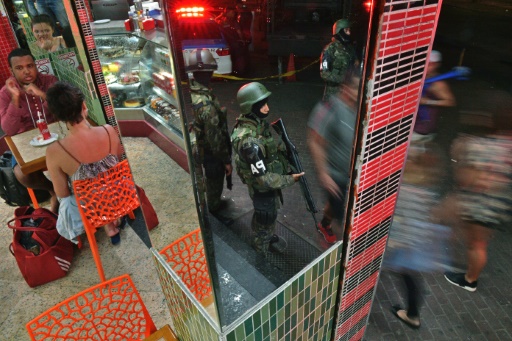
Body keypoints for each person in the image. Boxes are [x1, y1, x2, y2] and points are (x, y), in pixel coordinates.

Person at [45, 81, 124, 244]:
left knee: (67, 199)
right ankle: (114, 217)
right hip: (121, 195)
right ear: (84, 105)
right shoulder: (108, 130)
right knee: (104, 179)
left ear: (57, 117)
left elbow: (62, 193)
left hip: (90, 209)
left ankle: (103, 223)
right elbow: (119, 161)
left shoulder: (55, 151)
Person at [231, 82, 304, 256]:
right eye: (261, 105)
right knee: (266, 215)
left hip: (266, 183)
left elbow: (268, 153)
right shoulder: (250, 141)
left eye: (266, 102)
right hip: (262, 188)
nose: (266, 108)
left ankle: (266, 234)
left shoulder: (255, 124)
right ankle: (260, 248)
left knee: (267, 215)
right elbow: (263, 178)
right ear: (250, 107)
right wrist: (290, 179)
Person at [443, 110, 512, 292]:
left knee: (477, 245)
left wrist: (456, 156)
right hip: (498, 204)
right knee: (479, 242)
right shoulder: (508, 145)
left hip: (480, 204)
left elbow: (466, 178)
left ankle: (470, 280)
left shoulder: (481, 145)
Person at [0, 48, 59, 212]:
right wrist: (15, 98)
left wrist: (42, 94)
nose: (27, 71)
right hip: (25, 143)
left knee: (71, 157)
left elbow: (64, 109)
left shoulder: (49, 81)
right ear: (12, 71)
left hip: (54, 136)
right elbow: (8, 129)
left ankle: (65, 190)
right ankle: (53, 189)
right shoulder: (5, 93)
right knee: (22, 174)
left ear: (36, 65)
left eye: (30, 65)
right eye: (19, 68)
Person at [307, 68, 359, 244]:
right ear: (346, 88)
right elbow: (314, 140)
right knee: (339, 210)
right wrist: (324, 174)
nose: (360, 93)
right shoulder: (329, 108)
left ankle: (326, 223)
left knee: (341, 205)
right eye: (357, 89)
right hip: (335, 174)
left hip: (354, 172)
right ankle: (334, 235)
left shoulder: (360, 107)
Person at [186, 48, 233, 226]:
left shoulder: (196, 92)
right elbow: (216, 140)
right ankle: (213, 209)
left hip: (199, 143)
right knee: (215, 179)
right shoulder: (206, 105)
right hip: (209, 151)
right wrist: (226, 161)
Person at [412, 50, 456, 141]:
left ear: (437, 65)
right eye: (425, 63)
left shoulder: (438, 83)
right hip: (412, 125)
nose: (427, 67)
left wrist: (427, 101)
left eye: (430, 64)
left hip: (422, 128)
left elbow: (450, 102)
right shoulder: (419, 77)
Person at [320, 19, 357, 100]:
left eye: (349, 30)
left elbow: (355, 65)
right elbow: (324, 73)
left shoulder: (350, 48)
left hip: (348, 92)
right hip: (333, 93)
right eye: (346, 30)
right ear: (339, 31)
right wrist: (342, 78)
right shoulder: (330, 49)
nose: (349, 33)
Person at [216, 6, 247, 75]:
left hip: (225, 44)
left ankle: (232, 71)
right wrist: (242, 40)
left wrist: (221, 15)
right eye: (232, 12)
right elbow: (239, 32)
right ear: (228, 13)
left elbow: (213, 22)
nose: (233, 14)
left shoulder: (220, 21)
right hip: (235, 43)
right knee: (239, 57)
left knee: (229, 58)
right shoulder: (233, 22)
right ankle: (240, 72)